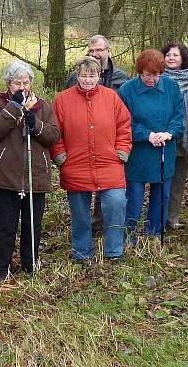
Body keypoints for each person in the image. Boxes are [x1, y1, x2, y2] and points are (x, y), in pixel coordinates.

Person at [52, 56, 132, 261]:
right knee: (80, 212)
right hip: (75, 165)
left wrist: (122, 151)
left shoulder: (112, 97)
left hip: (109, 163)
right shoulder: (62, 100)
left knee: (116, 204)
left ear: (99, 76)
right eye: (83, 75)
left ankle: (114, 250)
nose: (87, 79)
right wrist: (60, 156)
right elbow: (55, 132)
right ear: (77, 76)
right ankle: (82, 252)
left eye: (92, 75)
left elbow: (124, 125)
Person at [0, 60, 60, 281]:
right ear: (9, 84)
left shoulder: (43, 106)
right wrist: (14, 108)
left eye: (25, 82)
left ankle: (30, 264)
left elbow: (54, 135)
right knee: (5, 225)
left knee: (32, 224)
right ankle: (2, 268)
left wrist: (36, 125)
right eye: (17, 82)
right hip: (6, 175)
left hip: (35, 174)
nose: (22, 87)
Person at [118, 49, 184, 242]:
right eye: (147, 74)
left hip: (165, 150)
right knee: (134, 197)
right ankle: (129, 234)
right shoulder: (127, 90)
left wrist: (169, 133)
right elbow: (123, 122)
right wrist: (147, 135)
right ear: (140, 72)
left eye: (156, 75)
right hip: (138, 153)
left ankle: (154, 233)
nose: (152, 79)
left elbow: (179, 116)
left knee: (161, 196)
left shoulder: (172, 87)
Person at [66, 34, 129, 234]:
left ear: (108, 51)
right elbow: (65, 111)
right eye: (91, 51)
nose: (95, 54)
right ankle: (89, 230)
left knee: (110, 192)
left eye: (99, 50)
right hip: (81, 147)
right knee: (82, 191)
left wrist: (122, 147)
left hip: (109, 145)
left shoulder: (121, 78)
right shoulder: (73, 79)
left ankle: (104, 226)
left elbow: (126, 116)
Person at [160, 41, 188, 230]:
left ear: (183, 58)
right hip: (162, 136)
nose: (171, 58)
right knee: (161, 178)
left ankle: (173, 217)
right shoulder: (157, 76)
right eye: (168, 54)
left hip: (185, 138)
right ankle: (157, 216)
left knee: (178, 179)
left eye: (175, 55)